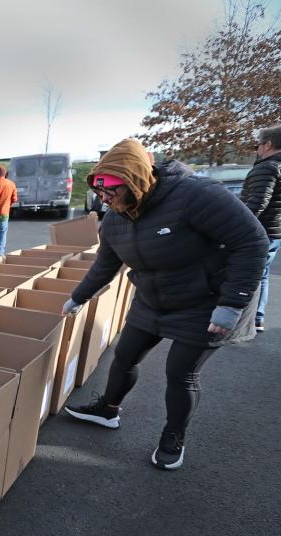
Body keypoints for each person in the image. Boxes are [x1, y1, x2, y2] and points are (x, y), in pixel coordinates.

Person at [62, 138, 267, 471]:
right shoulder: (115, 218)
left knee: (180, 373)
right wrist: (77, 297)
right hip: (153, 298)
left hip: (208, 301)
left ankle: (174, 437)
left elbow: (252, 242)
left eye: (111, 189)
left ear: (136, 179)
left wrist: (232, 304)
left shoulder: (196, 196)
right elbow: (105, 264)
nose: (104, 197)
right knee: (124, 355)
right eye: (99, 191)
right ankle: (107, 410)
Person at [240, 124, 281, 332]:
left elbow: (257, 202)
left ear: (268, 144)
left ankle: (244, 321)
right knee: (261, 274)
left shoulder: (267, 167)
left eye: (258, 145)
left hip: (260, 230)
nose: (257, 150)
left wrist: (237, 227)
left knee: (248, 274)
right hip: (276, 231)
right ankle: (257, 317)